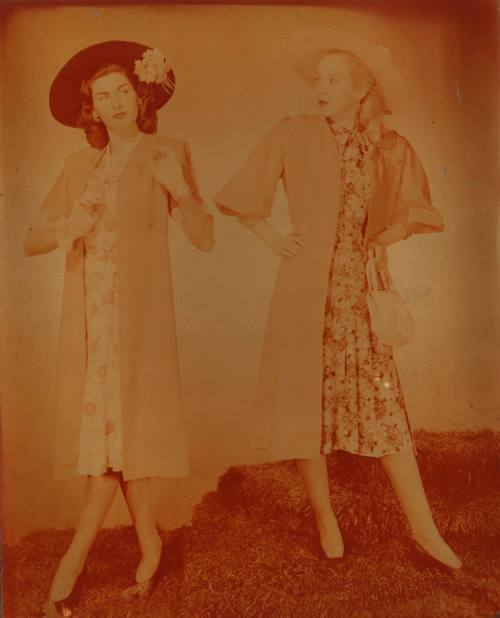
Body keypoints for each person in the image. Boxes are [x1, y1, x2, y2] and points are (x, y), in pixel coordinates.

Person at [215, 28, 461, 572]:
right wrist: (276, 239)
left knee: (385, 409)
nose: (320, 88)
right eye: (318, 79)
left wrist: (380, 240)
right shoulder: (293, 132)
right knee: (307, 407)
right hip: (305, 292)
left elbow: (413, 213)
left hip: (361, 292)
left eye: (333, 80)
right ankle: (326, 517)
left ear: (360, 88)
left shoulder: (388, 145)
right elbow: (244, 197)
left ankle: (425, 530)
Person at [23, 40, 214, 616]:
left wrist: (179, 189)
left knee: (116, 442)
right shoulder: (79, 166)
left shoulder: (170, 151)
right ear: (92, 109)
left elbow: (204, 238)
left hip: (139, 326)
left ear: (142, 95)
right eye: (101, 97)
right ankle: (150, 543)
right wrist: (70, 227)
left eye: (122, 92)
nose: (113, 104)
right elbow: (32, 239)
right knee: (115, 441)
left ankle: (72, 562)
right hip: (91, 324)